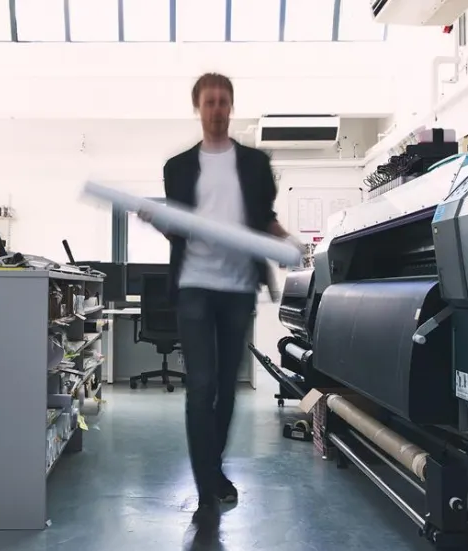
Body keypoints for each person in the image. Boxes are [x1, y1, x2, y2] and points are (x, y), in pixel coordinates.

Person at [141, 72, 296, 524]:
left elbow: (264, 219)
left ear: (231, 106)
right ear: (198, 107)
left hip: (237, 286)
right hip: (194, 283)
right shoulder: (178, 167)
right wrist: (157, 219)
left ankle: (214, 469)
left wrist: (290, 244)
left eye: (224, 101)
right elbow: (180, 229)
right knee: (202, 384)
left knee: (226, 388)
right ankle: (205, 486)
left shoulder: (253, 163)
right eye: (209, 102)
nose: (217, 109)